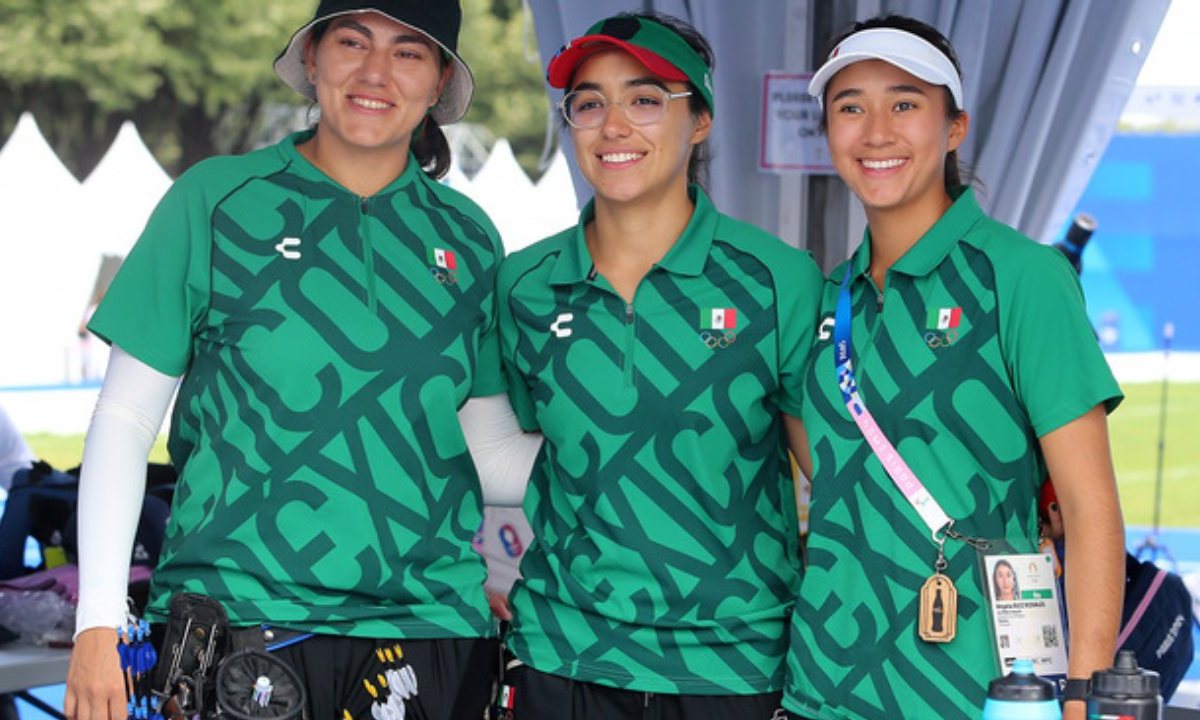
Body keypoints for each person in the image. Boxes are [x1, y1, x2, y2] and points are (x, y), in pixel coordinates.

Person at [64, 2, 517, 718]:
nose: (375, 71)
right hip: (240, 625)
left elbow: (488, 451)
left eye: (408, 52)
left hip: (430, 630)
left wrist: (633, 456)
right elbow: (123, 417)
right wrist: (97, 617)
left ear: (439, 85)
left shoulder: (470, 238)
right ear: (310, 59)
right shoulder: (214, 200)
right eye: (351, 41)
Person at [781, 15, 1125, 720]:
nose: (875, 130)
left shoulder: (1023, 277)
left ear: (955, 127)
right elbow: (832, 473)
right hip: (823, 689)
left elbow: (1091, 513)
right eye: (850, 107)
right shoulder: (828, 299)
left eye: (904, 103)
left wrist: (1084, 698)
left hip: (982, 695)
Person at [495, 12, 824, 719]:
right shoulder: (523, 283)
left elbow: (831, 483)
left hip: (733, 666)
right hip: (564, 655)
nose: (613, 125)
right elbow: (503, 452)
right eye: (589, 103)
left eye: (645, 100)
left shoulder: (778, 279)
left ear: (700, 120)